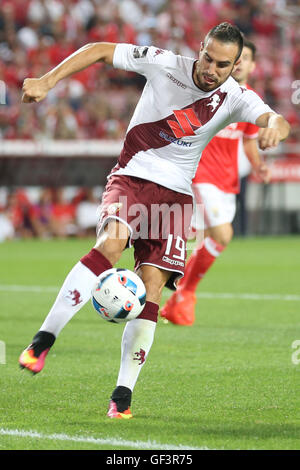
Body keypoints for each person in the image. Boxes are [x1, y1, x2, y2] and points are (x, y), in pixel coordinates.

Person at [19, 23, 290, 419]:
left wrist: (274, 132)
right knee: (111, 244)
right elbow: (99, 49)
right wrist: (47, 80)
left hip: (176, 196)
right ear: (200, 49)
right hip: (133, 175)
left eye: (223, 65)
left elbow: (275, 119)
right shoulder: (164, 63)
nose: (212, 69)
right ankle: (42, 340)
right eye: (208, 58)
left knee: (151, 290)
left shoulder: (235, 97)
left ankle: (122, 397)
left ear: (235, 66)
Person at [160, 39, 273, 326]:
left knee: (195, 240)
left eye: (247, 58)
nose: (241, 63)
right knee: (222, 235)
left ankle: (158, 293)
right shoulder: (211, 93)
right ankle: (185, 293)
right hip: (202, 175)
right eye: (238, 58)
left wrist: (258, 166)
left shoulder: (250, 101)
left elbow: (248, 142)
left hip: (228, 181)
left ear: (252, 65)